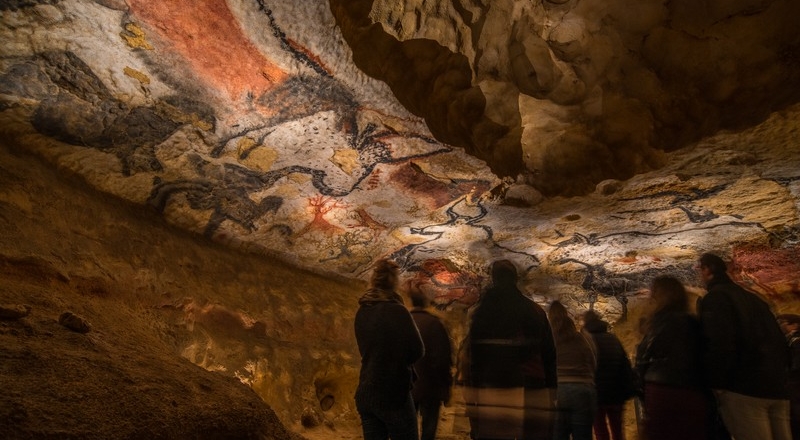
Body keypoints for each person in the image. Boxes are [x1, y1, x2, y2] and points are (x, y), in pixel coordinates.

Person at [697, 252, 791, 440]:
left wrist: (717, 383)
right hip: (777, 388)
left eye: (699, 270)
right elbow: (780, 340)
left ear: (707, 269)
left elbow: (720, 343)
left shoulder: (715, 299)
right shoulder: (755, 299)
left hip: (744, 388)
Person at [465, 259, 557, 440]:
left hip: (494, 387)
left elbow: (475, 356)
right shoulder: (535, 310)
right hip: (532, 385)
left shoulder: (483, 311)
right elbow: (548, 354)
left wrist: (473, 393)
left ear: (493, 279)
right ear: (515, 279)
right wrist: (552, 389)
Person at [354, 259, 424, 440]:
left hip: (366, 391)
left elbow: (366, 350)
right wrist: (398, 359)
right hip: (393, 393)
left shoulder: (362, 311)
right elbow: (418, 350)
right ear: (394, 282)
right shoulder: (398, 311)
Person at [635, 275, 708, 440]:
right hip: (693, 391)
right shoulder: (693, 322)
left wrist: (641, 390)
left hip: (661, 391)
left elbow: (644, 358)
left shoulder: (657, 322)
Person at [407, 281, 453, 440]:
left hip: (408, 386)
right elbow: (442, 359)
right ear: (425, 302)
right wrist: (446, 386)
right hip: (430, 387)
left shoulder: (405, 321)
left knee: (408, 429)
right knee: (428, 429)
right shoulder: (435, 324)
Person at [582, 310, 635, 440]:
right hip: (616, 393)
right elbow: (625, 366)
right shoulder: (613, 339)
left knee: (601, 432)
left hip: (597, 395)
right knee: (618, 431)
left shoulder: (586, 341)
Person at [549, 300, 597, 440]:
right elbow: (592, 362)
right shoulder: (580, 338)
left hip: (558, 392)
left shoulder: (549, 339)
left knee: (558, 435)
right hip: (582, 390)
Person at [777, 313, 800, 439]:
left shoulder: (796, 341)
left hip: (795, 384)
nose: (780, 325)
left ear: (795, 325)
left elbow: (796, 365)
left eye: (783, 322)